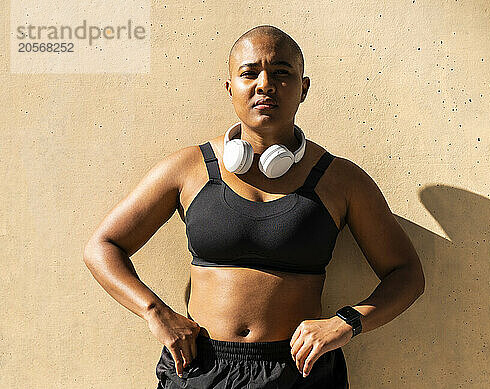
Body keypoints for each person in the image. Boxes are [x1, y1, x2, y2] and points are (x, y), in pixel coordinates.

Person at [83, 25, 425, 389]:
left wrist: (345, 323)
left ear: (303, 88)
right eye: (249, 73)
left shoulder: (340, 180)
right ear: (230, 88)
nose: (265, 84)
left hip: (298, 373)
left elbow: (406, 274)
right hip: (200, 370)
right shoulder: (188, 168)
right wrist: (155, 312)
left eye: (281, 73)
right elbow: (102, 247)